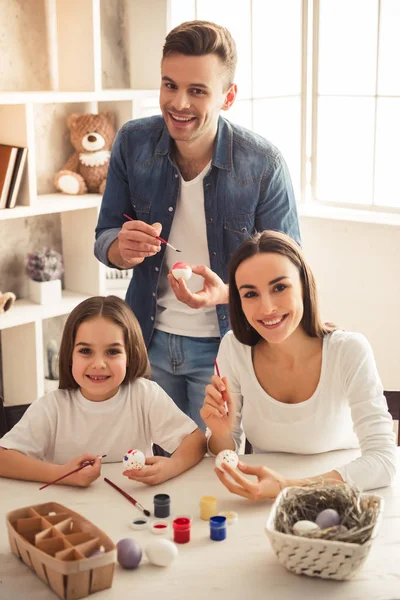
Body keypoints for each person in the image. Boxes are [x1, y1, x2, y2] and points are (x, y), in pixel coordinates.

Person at [94, 20, 300, 430]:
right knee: (149, 460)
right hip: (145, 339)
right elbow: (104, 239)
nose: (179, 103)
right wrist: (122, 248)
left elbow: (289, 273)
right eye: (170, 85)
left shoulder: (263, 163)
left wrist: (227, 293)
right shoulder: (133, 142)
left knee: (212, 468)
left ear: (229, 97)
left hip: (225, 347)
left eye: (198, 91)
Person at [200, 230, 397, 499]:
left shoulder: (348, 350)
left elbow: (384, 462)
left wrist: (289, 487)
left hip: (344, 495)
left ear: (304, 285)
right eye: (250, 294)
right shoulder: (234, 349)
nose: (267, 308)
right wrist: (221, 435)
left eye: (279, 287)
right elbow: (224, 451)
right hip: (263, 496)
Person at [0, 296, 206, 487]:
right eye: (85, 351)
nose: (98, 364)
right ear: (70, 355)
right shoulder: (52, 407)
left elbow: (195, 441)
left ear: (129, 355)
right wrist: (63, 474)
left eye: (112, 352)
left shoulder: (144, 395)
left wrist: (170, 467)